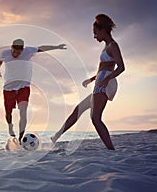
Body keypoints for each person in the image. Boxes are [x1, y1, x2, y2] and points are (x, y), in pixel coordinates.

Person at [51, 14, 125, 150]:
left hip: (105, 82)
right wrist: (92, 79)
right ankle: (55, 137)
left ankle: (111, 149)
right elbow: (104, 67)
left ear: (102, 30)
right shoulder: (106, 46)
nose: (94, 36)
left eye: (95, 33)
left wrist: (106, 79)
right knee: (78, 110)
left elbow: (121, 67)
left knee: (95, 118)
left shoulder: (113, 46)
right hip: (101, 81)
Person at [0, 39, 66, 143]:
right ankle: (10, 126)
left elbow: (42, 48)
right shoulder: (4, 53)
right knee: (8, 113)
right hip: (8, 87)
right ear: (11, 47)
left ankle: (20, 138)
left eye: (19, 52)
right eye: (14, 51)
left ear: (22, 50)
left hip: (23, 86)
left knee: (23, 112)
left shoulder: (28, 51)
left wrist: (57, 47)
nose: (16, 54)